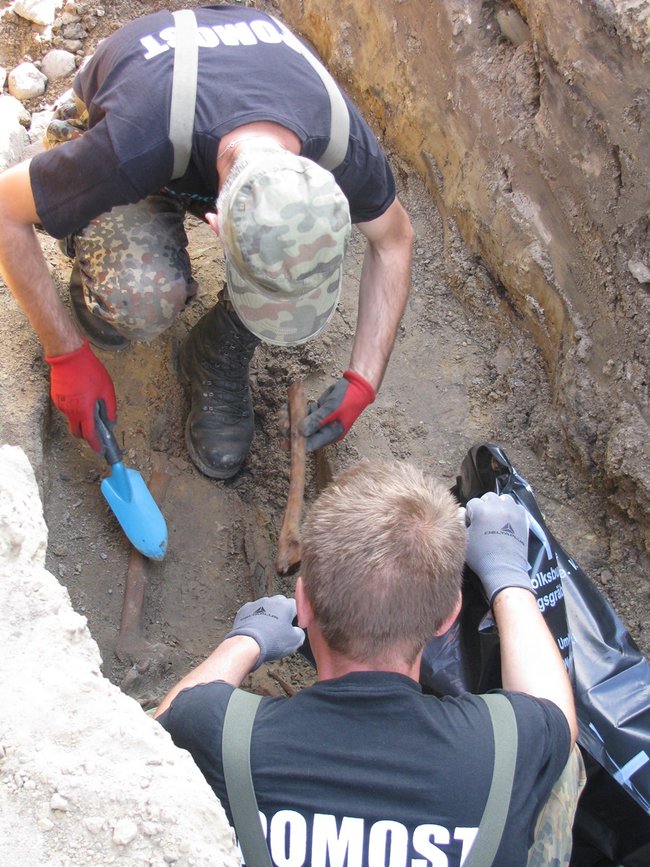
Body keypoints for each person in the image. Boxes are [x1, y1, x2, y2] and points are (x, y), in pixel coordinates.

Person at [0, 6, 413, 479]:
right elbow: (6, 210)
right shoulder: (129, 143)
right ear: (214, 223)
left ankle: (215, 351)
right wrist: (65, 355)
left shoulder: (342, 145)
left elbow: (395, 240)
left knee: (292, 259)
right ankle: (91, 243)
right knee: (138, 299)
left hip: (199, 132)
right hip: (121, 118)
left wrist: (363, 380)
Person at [155, 460, 585, 866]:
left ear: (303, 604)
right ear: (447, 618)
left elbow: (158, 730)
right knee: (563, 767)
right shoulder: (508, 744)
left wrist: (245, 640)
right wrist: (507, 576)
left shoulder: (220, 732)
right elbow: (556, 715)